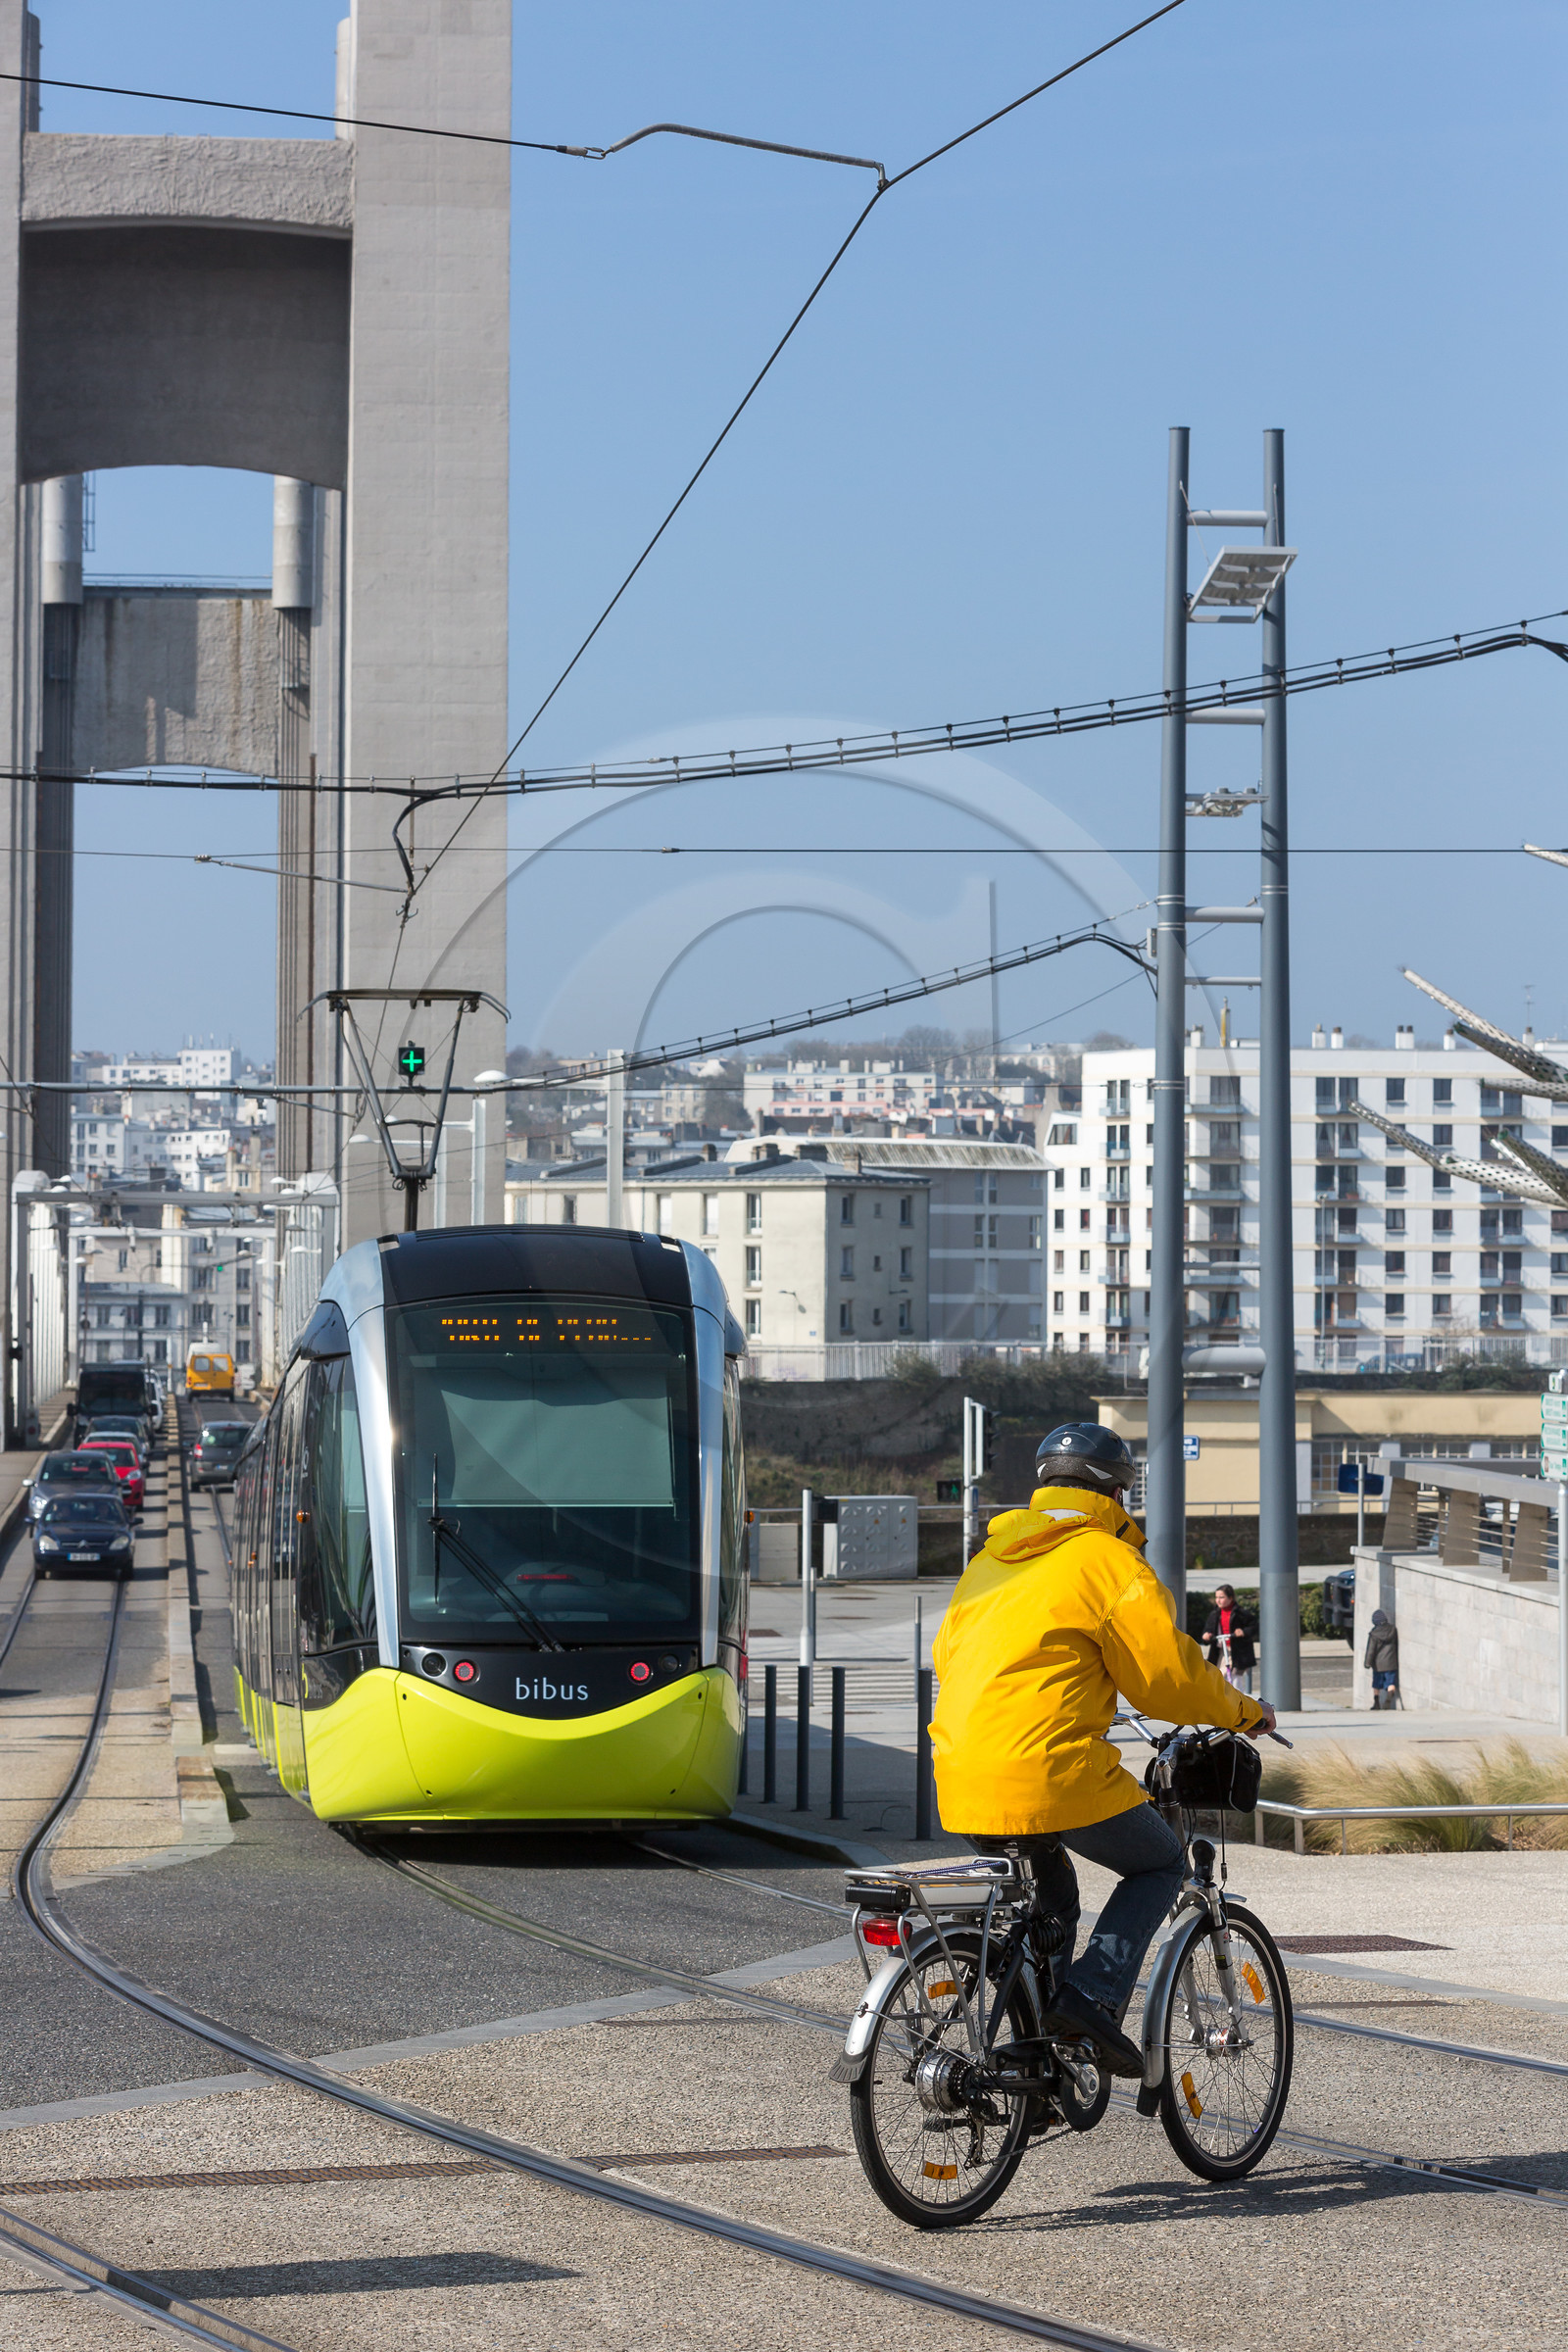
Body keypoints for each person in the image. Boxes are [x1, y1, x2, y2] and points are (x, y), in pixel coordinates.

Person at [931, 1421, 1275, 2081]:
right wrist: (1248, 1713)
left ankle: (1037, 2068)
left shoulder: (990, 1560)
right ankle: (1091, 2000)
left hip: (962, 1771)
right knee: (1161, 1863)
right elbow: (1166, 1679)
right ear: (1117, 1495)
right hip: (1048, 1771)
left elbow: (953, 1656)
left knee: (1052, 1901)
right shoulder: (1109, 1562)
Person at [1202, 1584, 1257, 1696]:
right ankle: (1225, 1701)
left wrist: (1243, 1632)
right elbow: (1208, 1629)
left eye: (1221, 1597)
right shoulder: (1215, 1614)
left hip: (1237, 1650)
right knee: (1219, 1674)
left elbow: (1253, 1626)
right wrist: (1206, 1636)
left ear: (1230, 1598)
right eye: (1216, 1597)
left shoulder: (1240, 1613)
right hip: (1221, 1650)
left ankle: (1239, 1701)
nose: (1218, 1600)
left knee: (1235, 1677)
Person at [1364, 1607, 1400, 1709]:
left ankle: (1376, 1702)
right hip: (1391, 1662)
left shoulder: (1374, 1634)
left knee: (1376, 1683)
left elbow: (1371, 1650)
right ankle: (1389, 1695)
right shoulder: (1393, 1629)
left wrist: (1367, 1663)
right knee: (1391, 1682)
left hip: (1378, 1664)